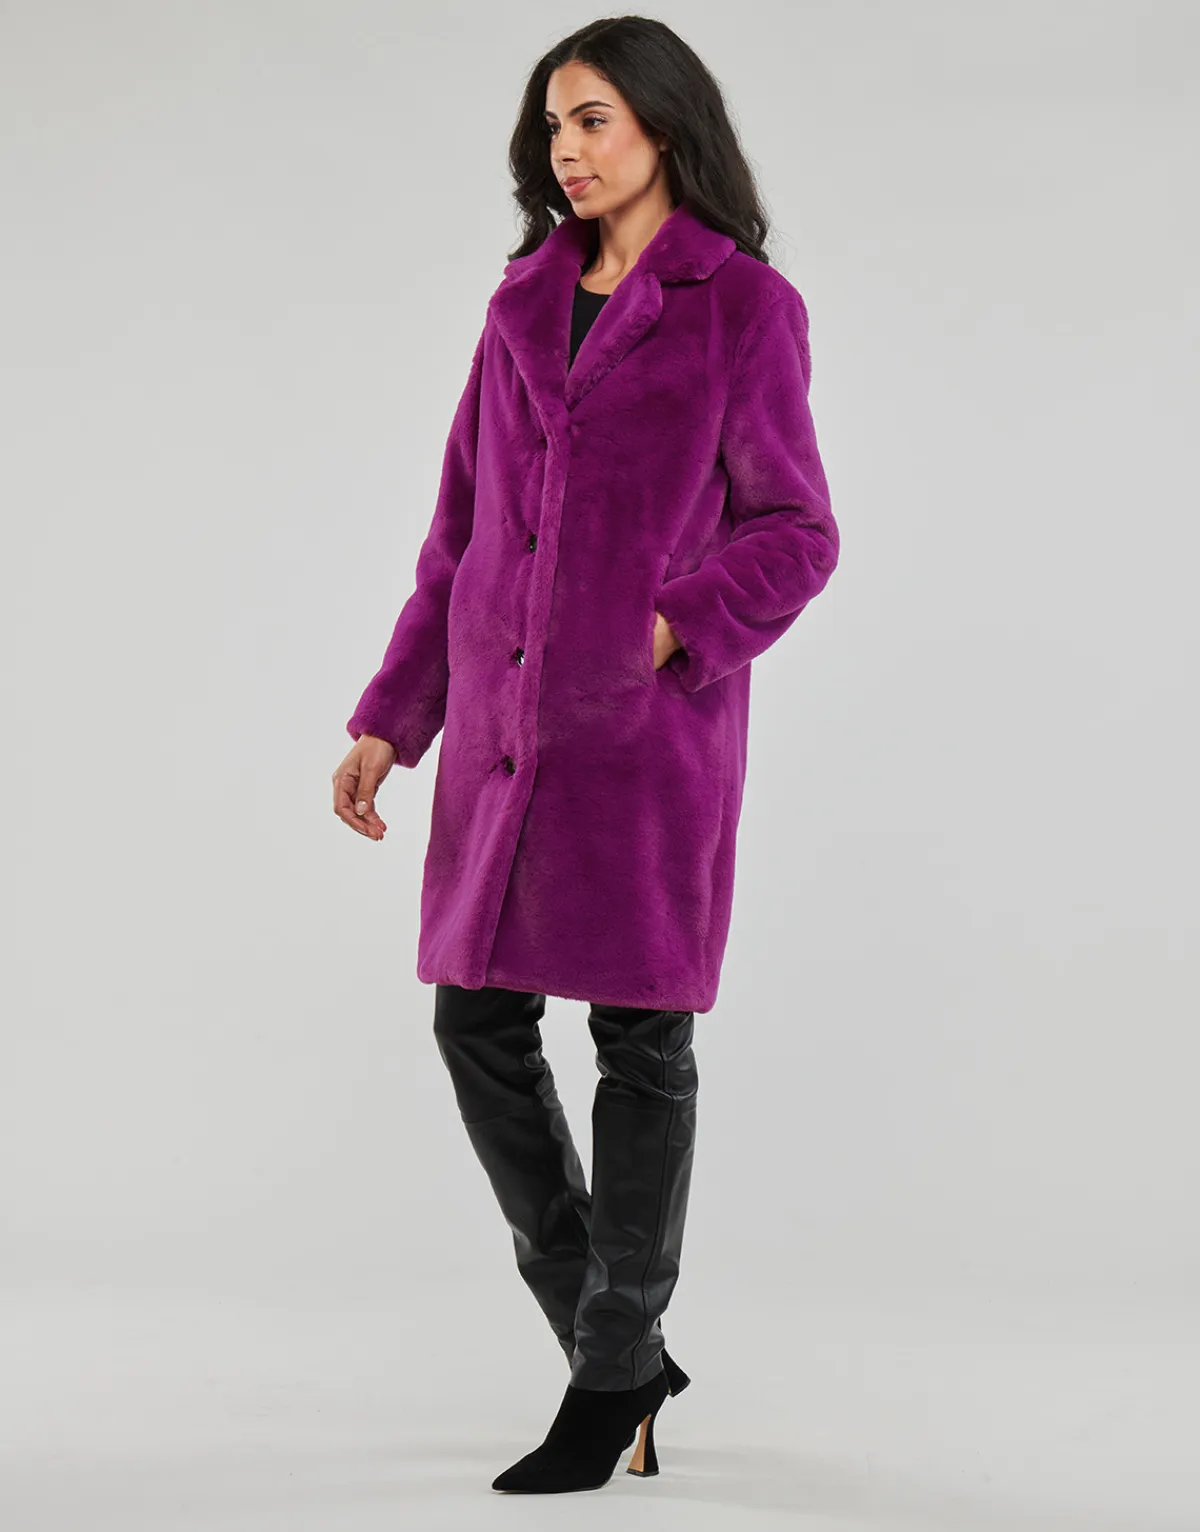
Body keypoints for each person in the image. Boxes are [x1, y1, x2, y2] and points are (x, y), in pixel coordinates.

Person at [332, 16, 839, 1495]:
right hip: (500, 737)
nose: (567, 147)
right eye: (553, 122)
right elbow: (459, 534)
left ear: (666, 126)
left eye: (595, 117)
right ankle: (612, 1345)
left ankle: (611, 1368)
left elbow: (797, 532)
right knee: (475, 1023)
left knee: (639, 1042)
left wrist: (668, 627)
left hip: (642, 743)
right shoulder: (519, 307)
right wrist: (392, 716)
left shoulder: (744, 307)